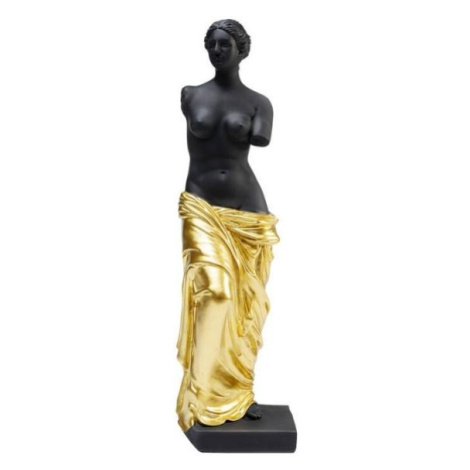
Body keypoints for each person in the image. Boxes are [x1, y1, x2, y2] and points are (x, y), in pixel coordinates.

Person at [176, 19, 280, 433]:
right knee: (216, 294)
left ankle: (238, 392)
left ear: (242, 50)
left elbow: (262, 138)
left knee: (244, 308)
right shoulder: (190, 95)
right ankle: (199, 394)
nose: (217, 51)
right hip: (201, 206)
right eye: (212, 44)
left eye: (225, 44)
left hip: (246, 211)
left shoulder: (259, 103)